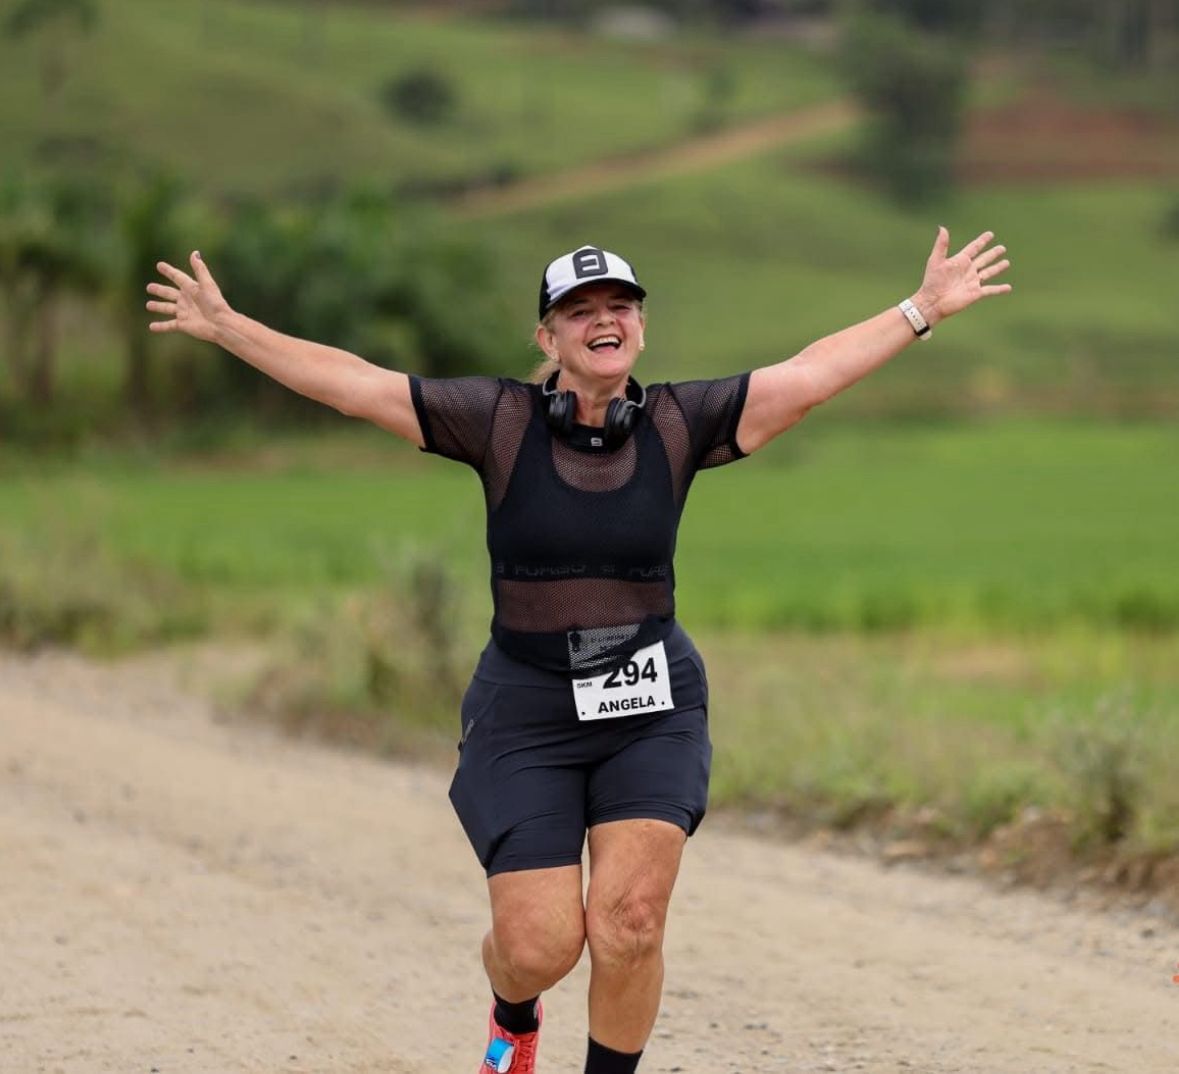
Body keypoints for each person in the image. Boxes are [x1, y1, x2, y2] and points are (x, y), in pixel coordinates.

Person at [147, 229, 1011, 1073]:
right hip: (526, 710)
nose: (604, 319)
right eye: (579, 309)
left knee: (629, 923)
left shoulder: (681, 422)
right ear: (548, 336)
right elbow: (355, 386)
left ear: (640, 325)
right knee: (540, 947)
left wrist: (921, 308)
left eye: (620, 306)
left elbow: (810, 374)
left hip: (649, 705)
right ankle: (511, 1013)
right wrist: (230, 327)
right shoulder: (499, 422)